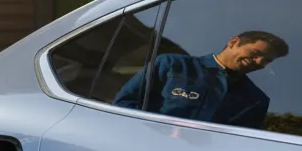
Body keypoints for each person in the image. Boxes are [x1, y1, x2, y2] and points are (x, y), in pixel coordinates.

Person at [113, 30, 289, 129]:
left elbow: (244, 146)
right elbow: (123, 105)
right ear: (233, 42)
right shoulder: (172, 65)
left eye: (266, 60)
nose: (259, 62)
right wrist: (163, 128)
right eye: (256, 53)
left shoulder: (256, 100)